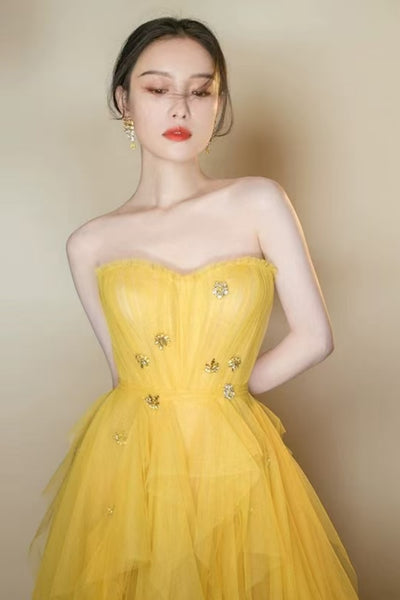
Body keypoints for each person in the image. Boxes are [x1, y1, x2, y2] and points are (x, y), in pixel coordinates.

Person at [28, 16, 359, 600]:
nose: (180, 107)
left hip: (234, 456)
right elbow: (122, 375)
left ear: (218, 103)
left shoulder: (257, 201)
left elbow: (315, 337)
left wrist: (221, 391)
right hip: (128, 465)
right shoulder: (90, 244)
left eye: (201, 91)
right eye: (158, 88)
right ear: (124, 100)